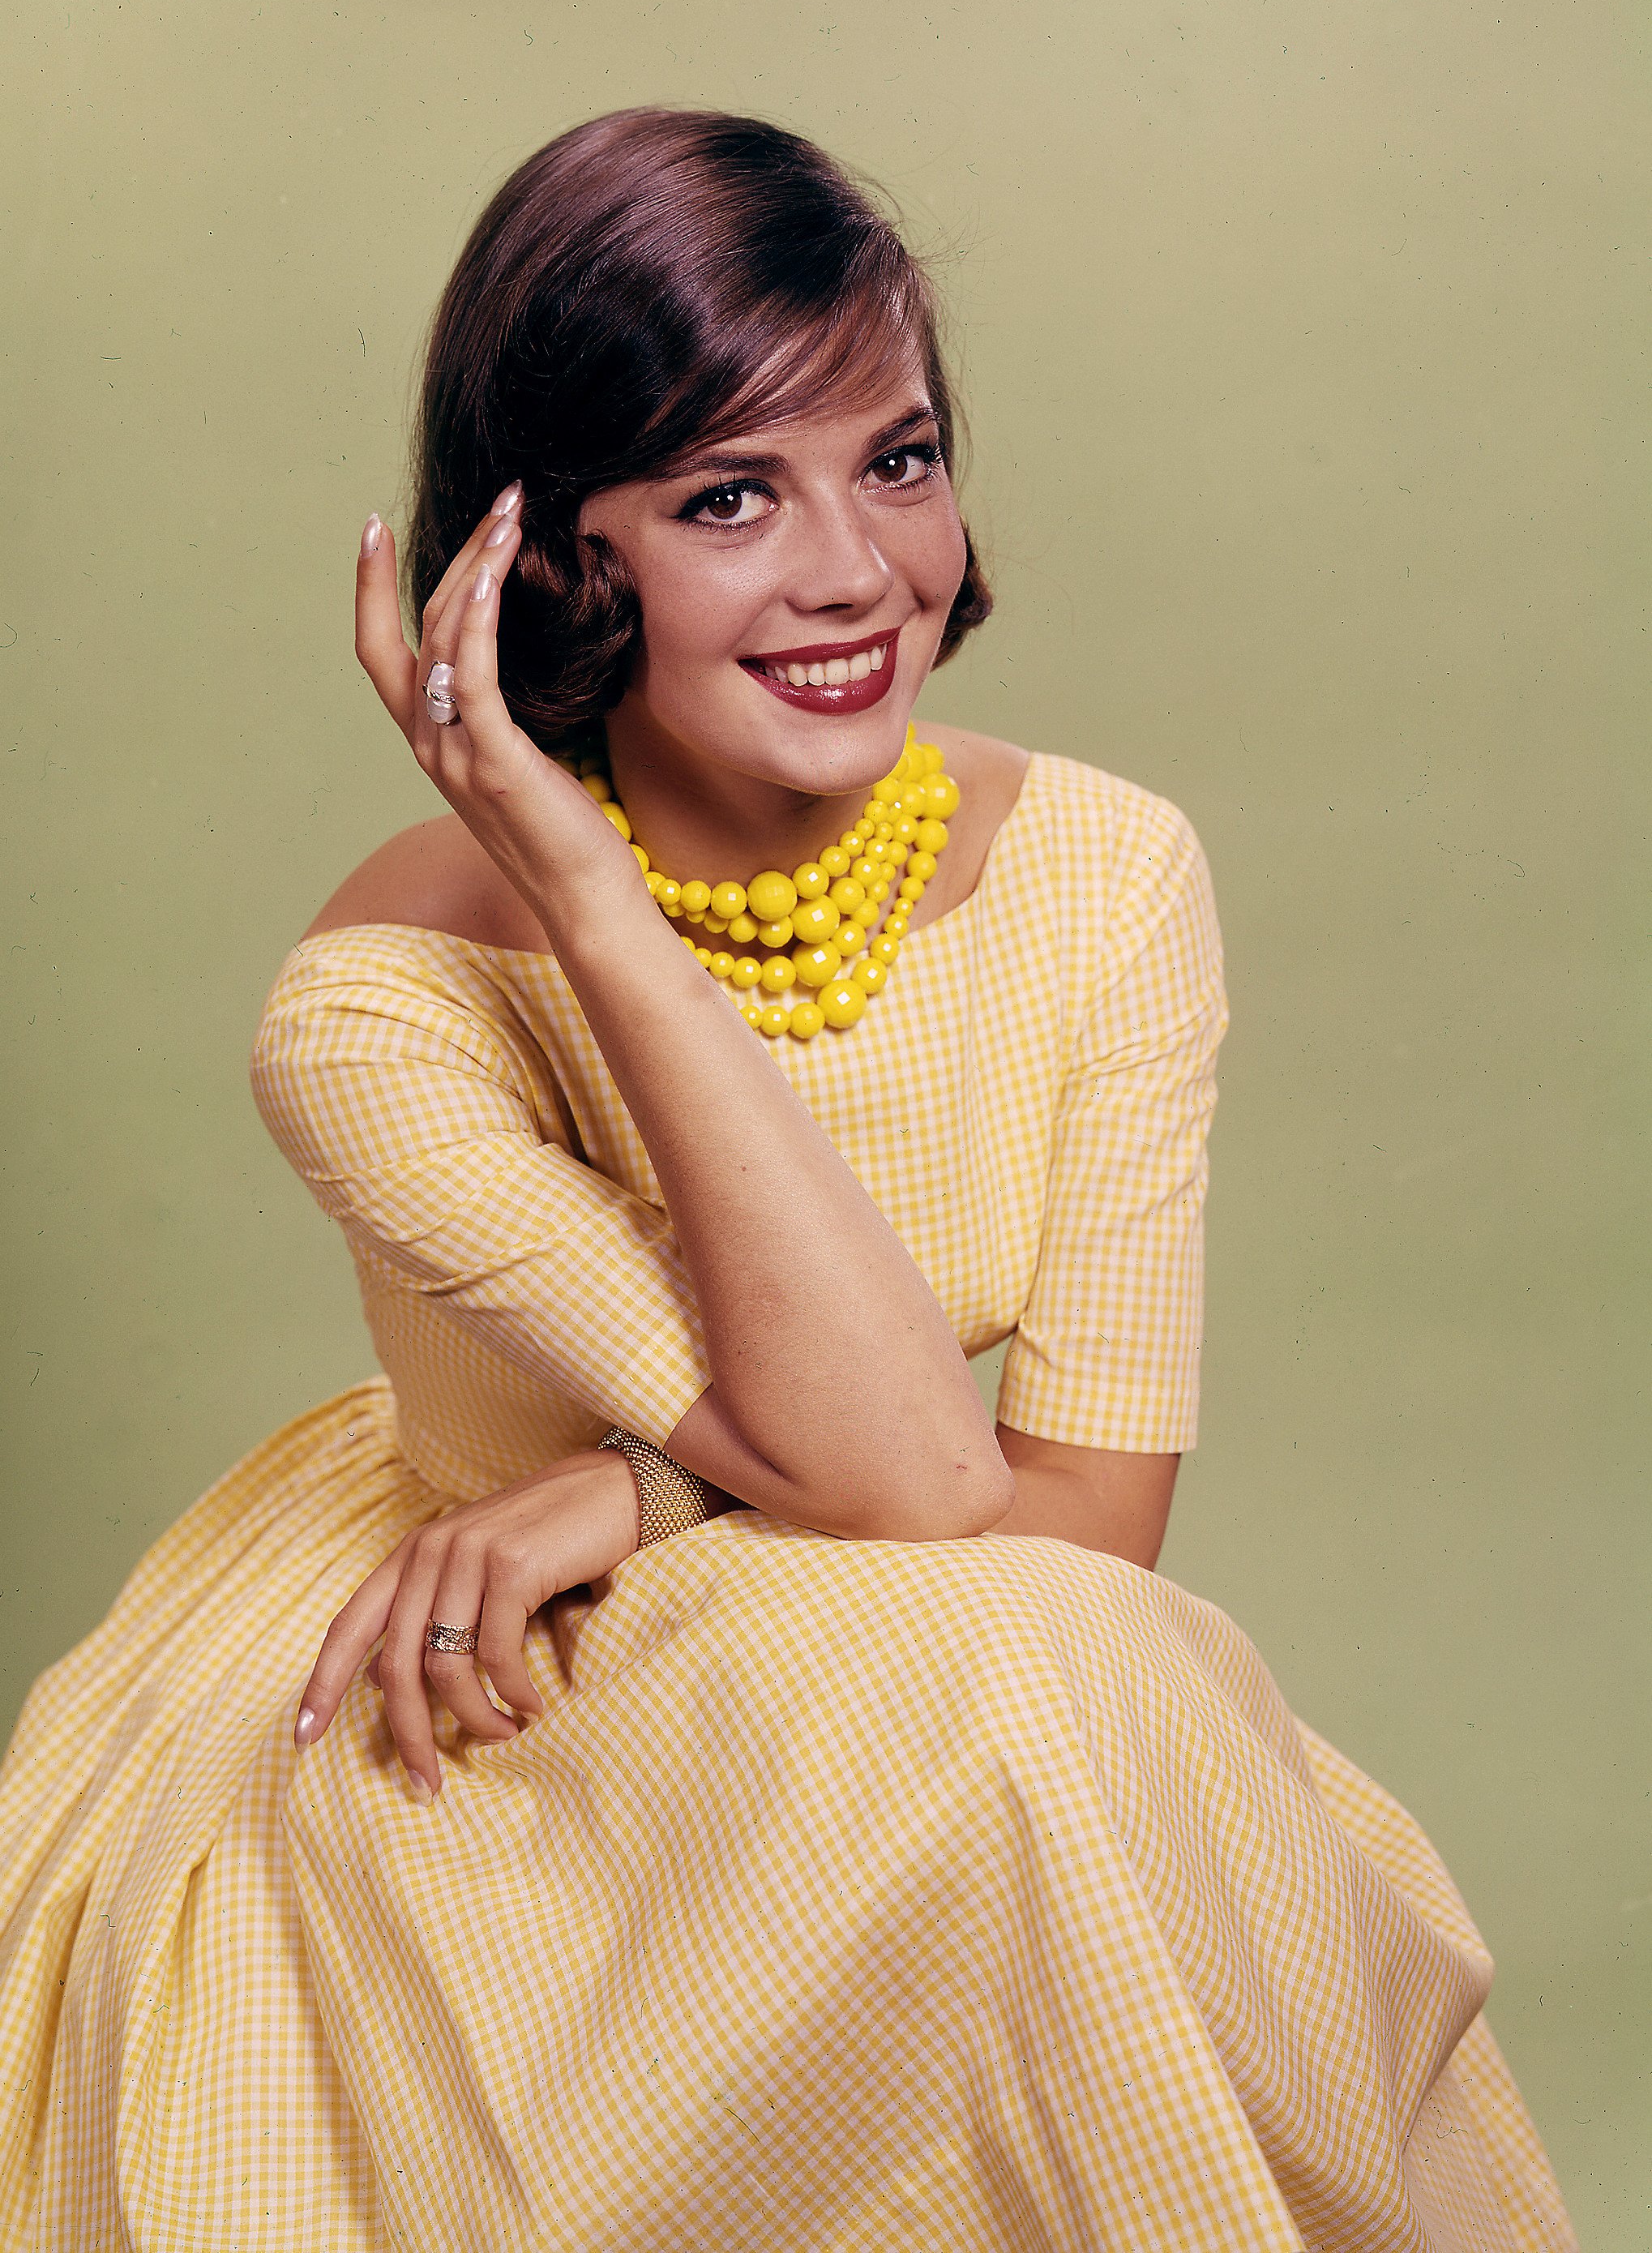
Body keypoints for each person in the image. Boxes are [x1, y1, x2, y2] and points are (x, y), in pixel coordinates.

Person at [0, 109, 1574, 2253]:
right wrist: (581, 884)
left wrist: (638, 1492)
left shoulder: (1108, 878)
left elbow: (1083, 1525)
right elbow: (934, 1479)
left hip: (941, 1649)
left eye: (899, 460)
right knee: (1022, 1687)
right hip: (497, 1711)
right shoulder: (379, 1011)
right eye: (729, 495)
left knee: (1043, 1675)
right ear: (552, 557)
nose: (856, 573)